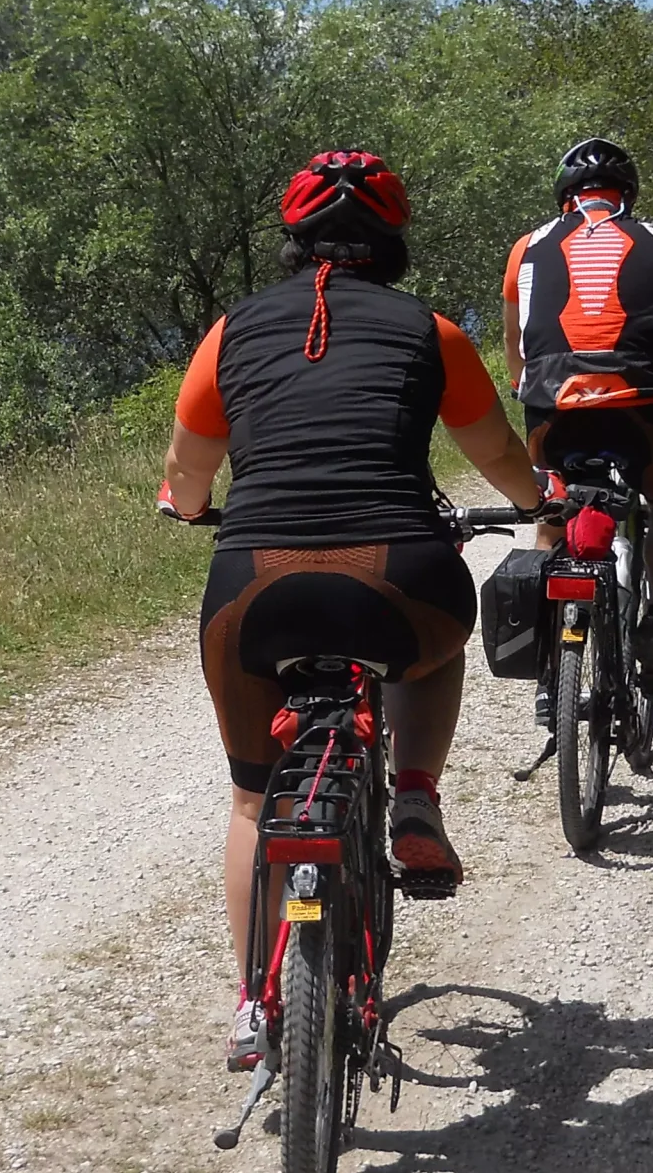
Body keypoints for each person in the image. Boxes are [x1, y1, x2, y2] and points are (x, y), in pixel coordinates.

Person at [160, 150, 545, 1070]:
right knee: (433, 644)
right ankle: (414, 794)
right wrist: (538, 505)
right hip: (397, 580)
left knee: (255, 796)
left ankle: (256, 1004)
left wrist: (185, 504)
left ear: (293, 240)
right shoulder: (432, 332)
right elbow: (496, 454)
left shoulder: (229, 332)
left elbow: (186, 475)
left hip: (253, 587)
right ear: (395, 240)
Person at [501, 137, 653, 702]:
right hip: (639, 407)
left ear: (564, 195)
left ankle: (546, 662)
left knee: (552, 514)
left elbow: (516, 347)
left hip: (552, 412)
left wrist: (525, 387)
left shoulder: (527, 247)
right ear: (628, 195)